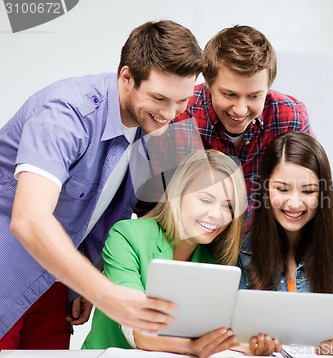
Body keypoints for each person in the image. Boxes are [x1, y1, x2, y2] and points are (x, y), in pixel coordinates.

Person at [0, 20, 206, 349]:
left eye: (182, 101)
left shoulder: (154, 126)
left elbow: (114, 211)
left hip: (54, 279)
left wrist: (87, 277)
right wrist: (104, 291)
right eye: (159, 98)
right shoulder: (66, 114)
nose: (170, 114)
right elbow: (29, 218)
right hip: (7, 269)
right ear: (126, 77)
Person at [82, 149, 247, 357]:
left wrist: (251, 345)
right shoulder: (127, 236)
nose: (217, 215)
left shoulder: (214, 260)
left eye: (228, 206)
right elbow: (136, 328)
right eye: (205, 200)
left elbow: (216, 333)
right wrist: (192, 347)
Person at [160, 25, 313, 231]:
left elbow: (307, 191)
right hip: (192, 243)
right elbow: (153, 203)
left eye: (254, 96)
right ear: (208, 83)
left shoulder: (290, 117)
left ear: (268, 87)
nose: (240, 110)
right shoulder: (179, 114)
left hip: (263, 245)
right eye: (229, 94)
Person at [238, 132, 333, 356]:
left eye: (308, 191)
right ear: (265, 189)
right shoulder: (247, 250)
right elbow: (238, 333)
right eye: (282, 189)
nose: (294, 203)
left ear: (323, 192)